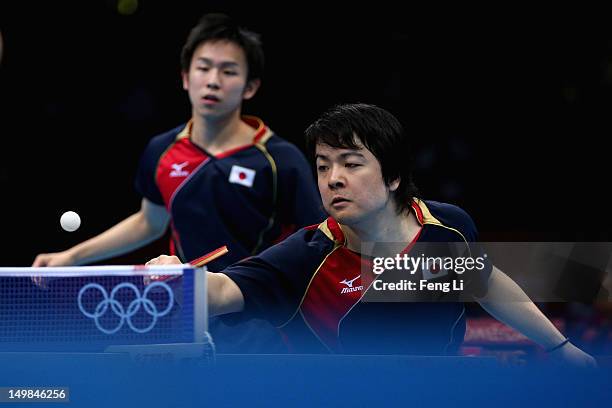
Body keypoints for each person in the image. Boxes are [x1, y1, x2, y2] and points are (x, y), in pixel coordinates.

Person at [147, 103, 596, 365]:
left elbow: (484, 279)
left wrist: (560, 347)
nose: (332, 179)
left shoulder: (447, 226)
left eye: (351, 163)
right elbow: (224, 291)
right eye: (323, 166)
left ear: (394, 175)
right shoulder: (306, 255)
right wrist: (181, 281)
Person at [32, 13, 325, 353]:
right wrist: (71, 257)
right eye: (203, 68)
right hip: (184, 318)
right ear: (186, 77)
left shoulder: (280, 160)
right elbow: (149, 221)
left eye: (228, 71)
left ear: (250, 86)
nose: (213, 81)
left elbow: (315, 239)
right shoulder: (162, 151)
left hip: (257, 323)